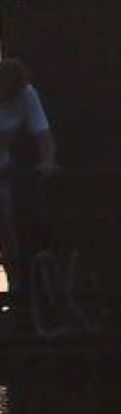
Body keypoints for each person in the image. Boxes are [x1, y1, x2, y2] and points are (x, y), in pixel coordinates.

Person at [0, 57, 56, 299]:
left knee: (9, 229)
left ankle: (17, 293)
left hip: (4, 169)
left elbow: (43, 135)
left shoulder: (26, 94)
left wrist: (47, 162)